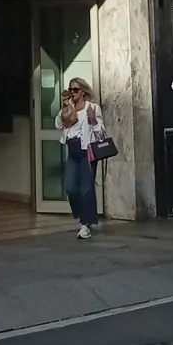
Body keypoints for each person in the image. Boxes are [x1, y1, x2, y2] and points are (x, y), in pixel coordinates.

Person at [58, 77, 102, 239]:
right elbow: (58, 124)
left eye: (75, 90)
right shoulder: (68, 108)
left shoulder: (93, 108)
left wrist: (93, 120)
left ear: (82, 91)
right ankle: (81, 215)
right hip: (73, 150)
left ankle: (86, 224)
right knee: (70, 187)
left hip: (87, 151)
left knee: (86, 190)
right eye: (70, 90)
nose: (72, 93)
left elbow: (101, 134)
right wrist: (66, 109)